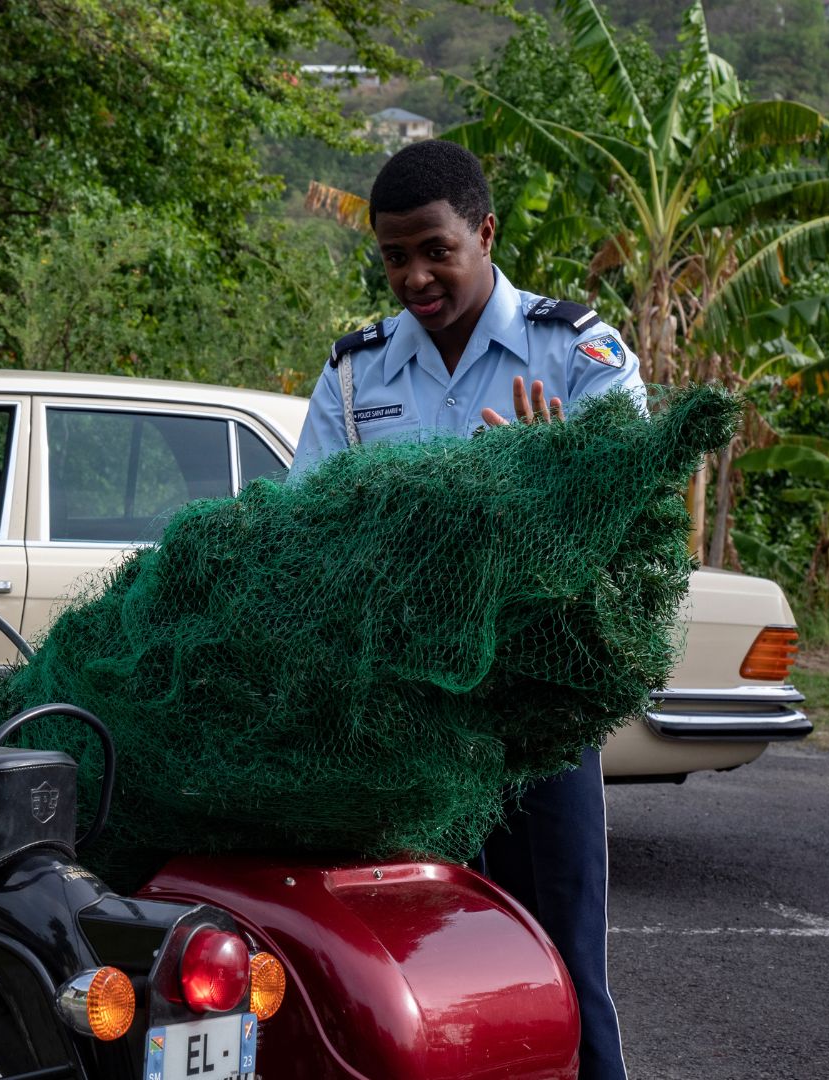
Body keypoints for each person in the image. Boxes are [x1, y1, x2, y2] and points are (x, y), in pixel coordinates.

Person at [290, 140, 638, 1080]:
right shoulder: (357, 374)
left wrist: (556, 484)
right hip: (412, 719)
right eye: (395, 256)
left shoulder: (578, 352)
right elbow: (309, 523)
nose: (414, 277)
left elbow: (633, 515)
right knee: (420, 964)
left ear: (484, 233)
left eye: (436, 250)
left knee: (564, 957)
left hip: (536, 714)